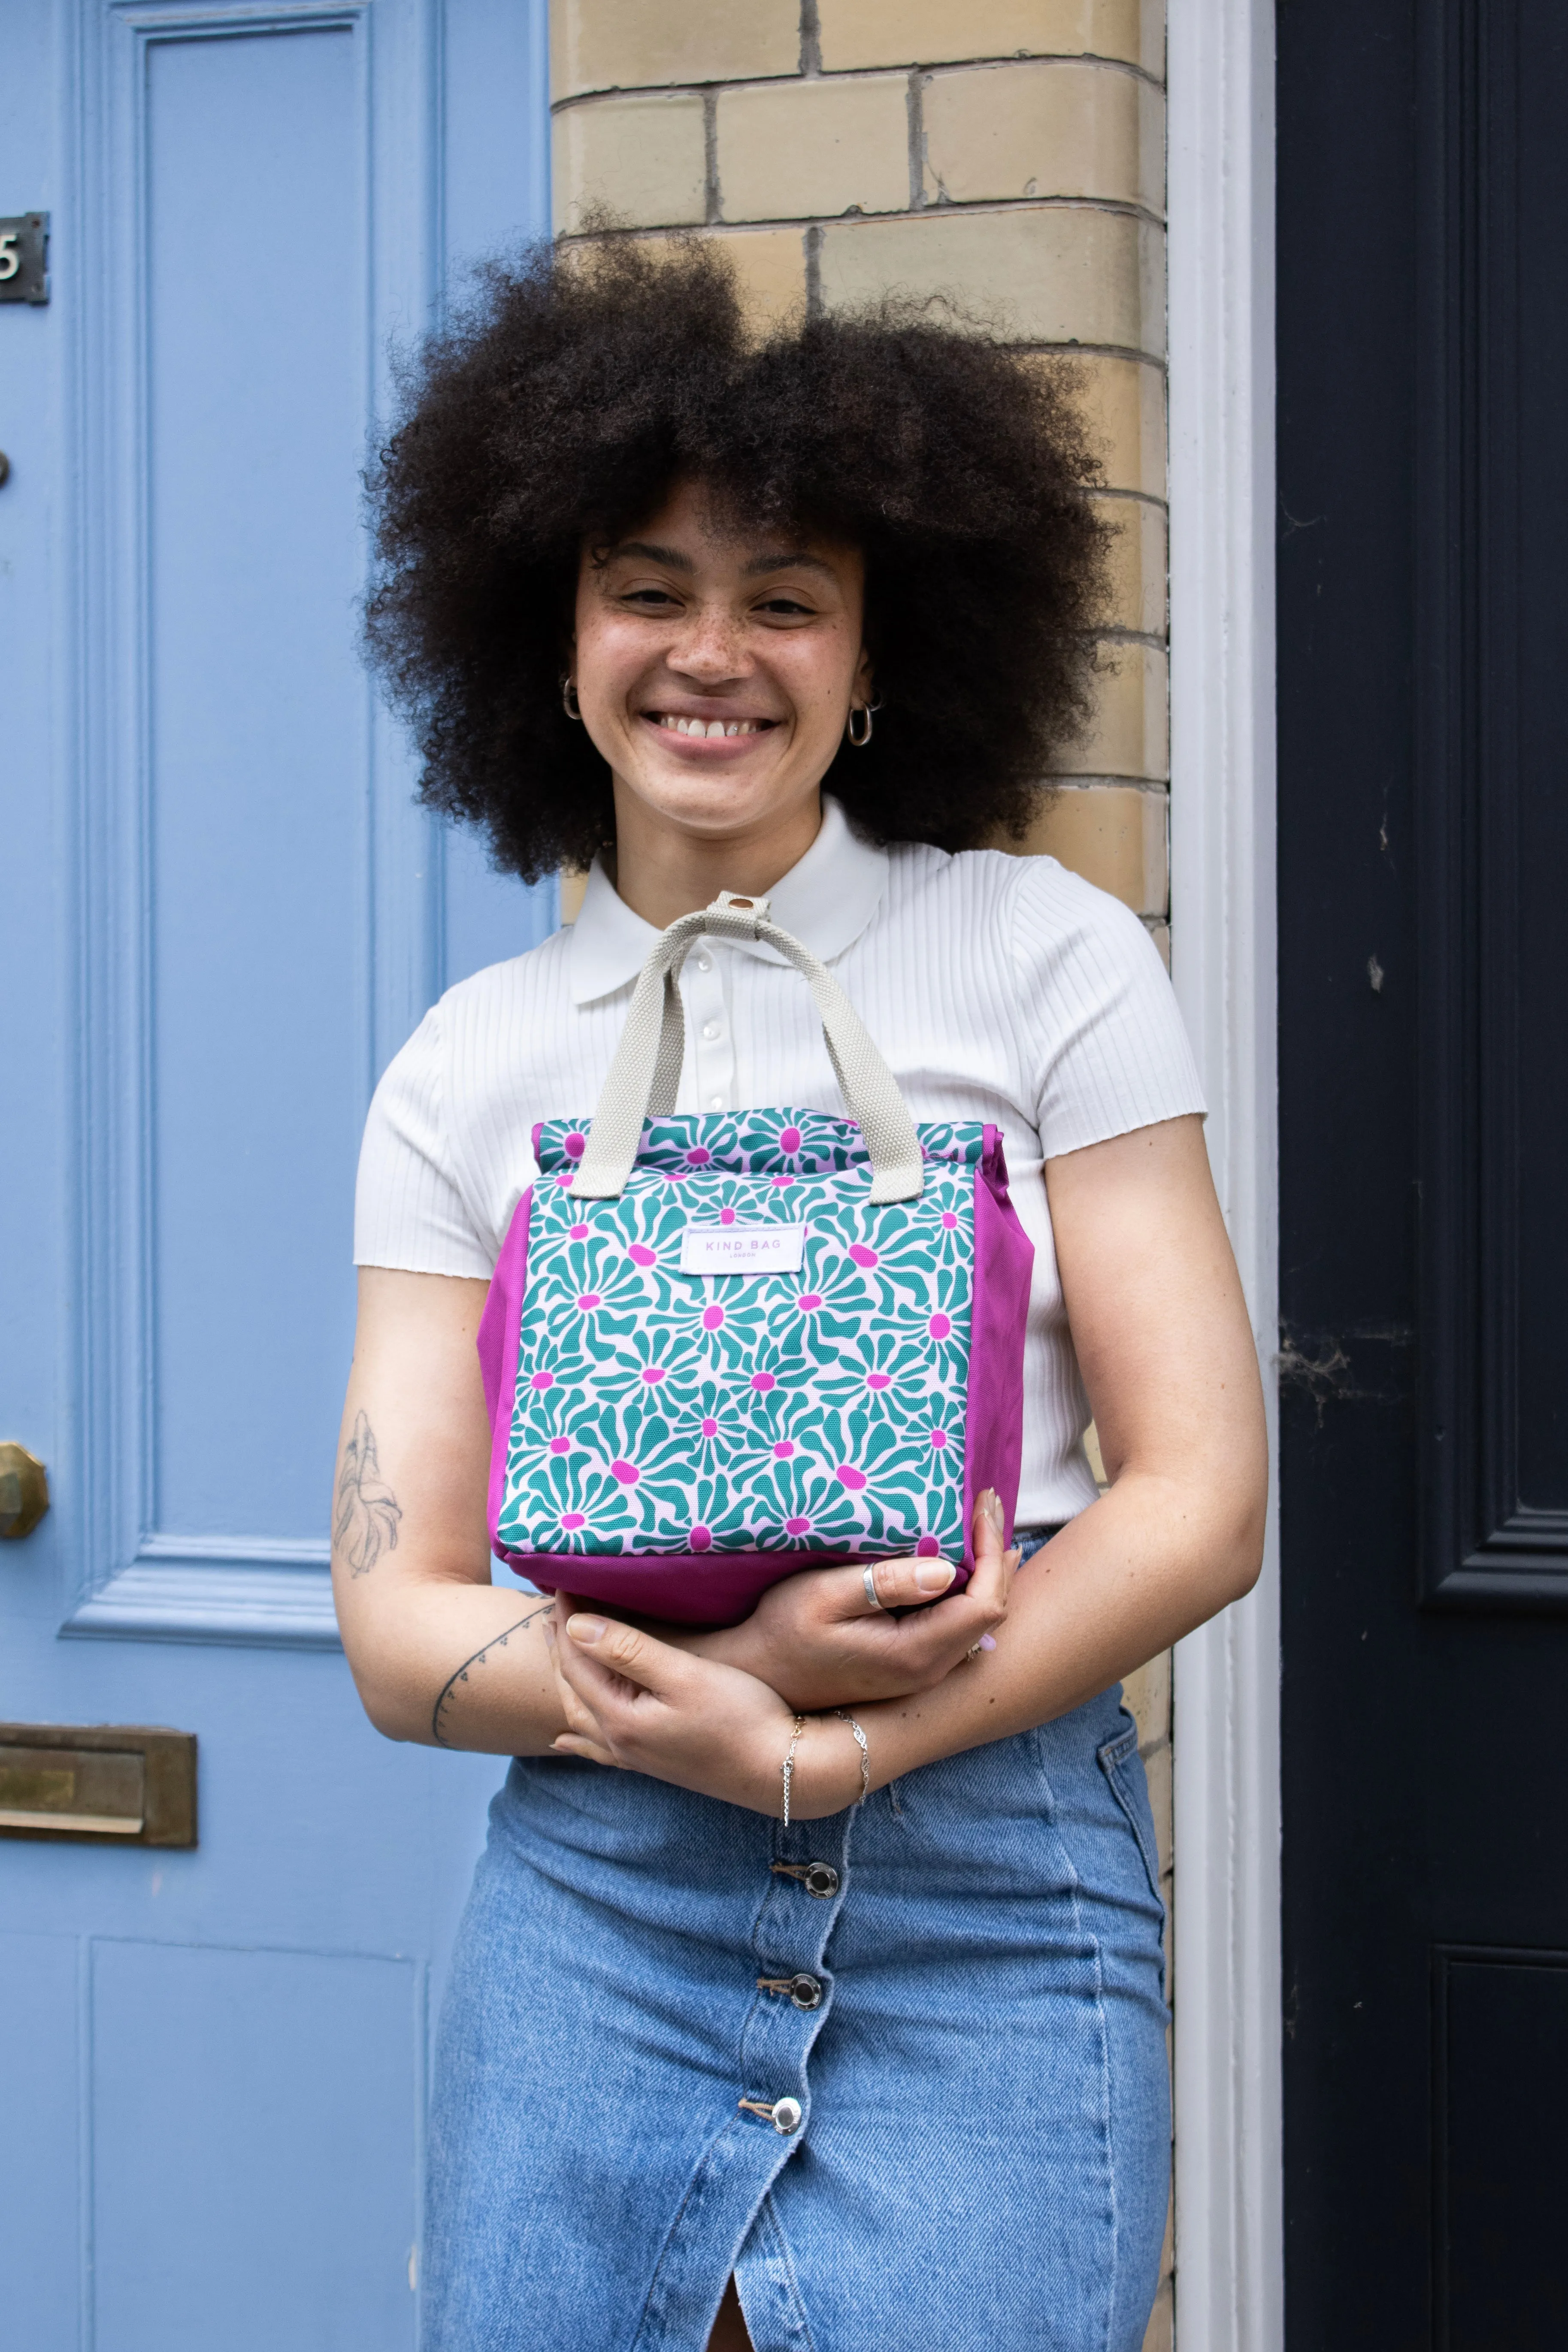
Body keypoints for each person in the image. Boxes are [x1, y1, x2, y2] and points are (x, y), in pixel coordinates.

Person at [334, 239, 1267, 2352]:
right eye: (645, 585)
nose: (708, 651)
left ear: (876, 657)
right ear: (551, 634)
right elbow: (395, 1616)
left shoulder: (1046, 957)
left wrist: (848, 1746)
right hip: (598, 1900)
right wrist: (720, 1686)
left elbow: (1199, 1494)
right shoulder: (466, 1063)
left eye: (784, 596)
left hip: (991, 1891)